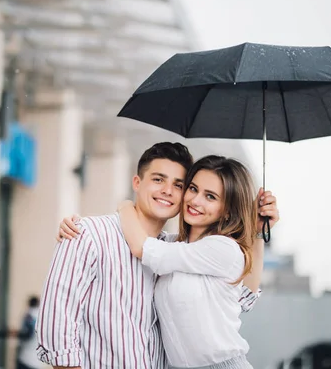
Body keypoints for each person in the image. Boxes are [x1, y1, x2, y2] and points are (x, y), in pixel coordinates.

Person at [59, 155, 280, 369]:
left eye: (210, 196)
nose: (195, 200)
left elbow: (142, 247)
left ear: (227, 210)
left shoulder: (223, 249)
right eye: (193, 189)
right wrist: (79, 226)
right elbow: (244, 297)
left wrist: (125, 205)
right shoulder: (176, 246)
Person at [35, 142, 194, 369]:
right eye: (158, 179)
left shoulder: (173, 251)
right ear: (137, 183)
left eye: (178, 185)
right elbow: (56, 320)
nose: (167, 190)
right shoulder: (87, 234)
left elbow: (236, 291)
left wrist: (258, 229)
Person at [16, 295, 44, 369]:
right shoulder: (42, 316)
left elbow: (27, 334)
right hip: (37, 361)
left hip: (26, 358)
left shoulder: (29, 315)